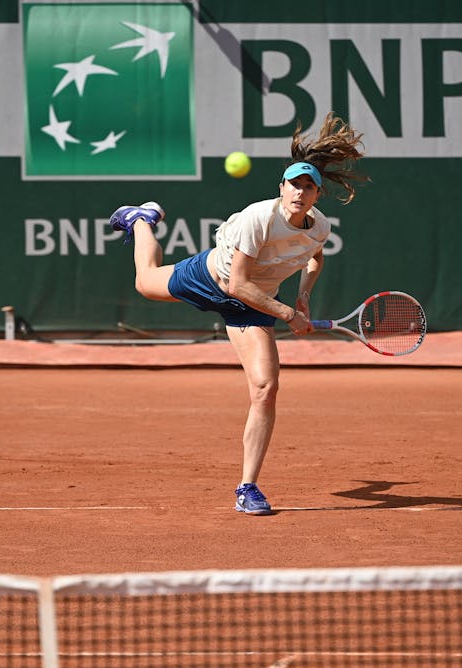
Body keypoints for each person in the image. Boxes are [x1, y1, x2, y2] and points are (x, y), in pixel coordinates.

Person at [109, 112, 367, 515]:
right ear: (281, 188)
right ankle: (141, 220)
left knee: (266, 388)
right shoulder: (258, 218)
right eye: (294, 185)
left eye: (308, 187)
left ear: (317, 195)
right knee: (145, 281)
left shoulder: (320, 228)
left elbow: (314, 259)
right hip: (213, 279)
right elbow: (237, 285)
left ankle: (247, 487)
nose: (300, 192)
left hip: (255, 304)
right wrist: (287, 314)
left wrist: (303, 296)